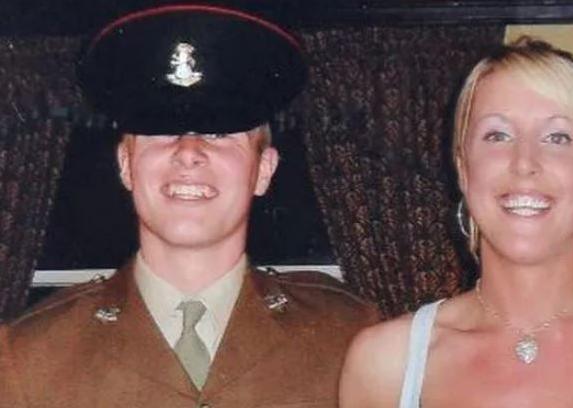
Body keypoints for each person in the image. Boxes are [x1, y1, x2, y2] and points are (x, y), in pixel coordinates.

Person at [0, 5, 377, 407]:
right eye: (161, 131)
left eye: (218, 132)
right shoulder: (27, 354)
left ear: (264, 169)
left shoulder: (349, 334)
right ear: (126, 166)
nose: (188, 151)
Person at [339, 37, 573, 407]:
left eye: (557, 137)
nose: (524, 162)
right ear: (462, 171)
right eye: (497, 134)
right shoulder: (386, 364)